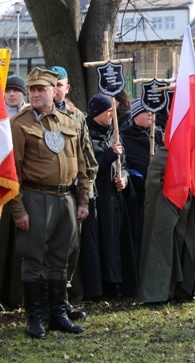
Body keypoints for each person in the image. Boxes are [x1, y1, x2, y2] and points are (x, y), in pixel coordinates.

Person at [8, 67, 90, 338]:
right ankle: (35, 317)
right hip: (35, 198)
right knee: (33, 259)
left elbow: (82, 166)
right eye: (32, 90)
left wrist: (82, 200)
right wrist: (19, 209)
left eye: (41, 89)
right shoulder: (20, 125)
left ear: (54, 91)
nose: (36, 94)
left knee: (60, 259)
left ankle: (58, 314)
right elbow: (11, 172)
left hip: (66, 198)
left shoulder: (69, 122)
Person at [48, 65, 99, 317]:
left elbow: (88, 159)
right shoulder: (33, 114)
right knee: (46, 250)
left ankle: (63, 299)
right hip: (44, 194)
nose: (56, 88)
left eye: (60, 84)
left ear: (67, 88)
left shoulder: (77, 116)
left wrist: (84, 198)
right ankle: (46, 303)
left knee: (70, 248)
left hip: (71, 192)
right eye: (52, 84)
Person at [81, 94, 137, 300]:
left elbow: (125, 164)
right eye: (108, 112)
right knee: (100, 241)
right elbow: (90, 165)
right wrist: (110, 154)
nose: (113, 116)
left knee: (117, 239)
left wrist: (124, 177)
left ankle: (119, 282)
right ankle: (101, 287)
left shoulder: (115, 134)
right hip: (97, 197)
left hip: (115, 198)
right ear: (97, 114)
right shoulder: (86, 134)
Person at [120, 98, 164, 262]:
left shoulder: (159, 135)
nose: (150, 114)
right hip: (138, 198)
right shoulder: (124, 138)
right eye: (145, 110)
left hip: (160, 195)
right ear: (135, 115)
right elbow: (125, 165)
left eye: (152, 110)